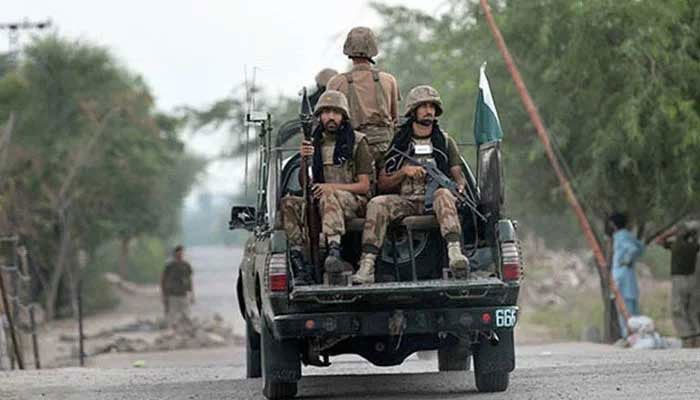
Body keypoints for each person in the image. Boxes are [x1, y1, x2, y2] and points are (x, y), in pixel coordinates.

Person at [352, 85, 470, 284]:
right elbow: (383, 182)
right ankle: (367, 265)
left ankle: (455, 255)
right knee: (377, 204)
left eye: (432, 106)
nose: (428, 111)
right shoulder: (399, 143)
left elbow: (458, 175)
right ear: (413, 111)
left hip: (435, 201)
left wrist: (458, 187)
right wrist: (403, 172)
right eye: (423, 106)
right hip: (406, 201)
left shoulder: (445, 142)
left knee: (444, 194)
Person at [281, 90, 374, 285]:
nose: (331, 117)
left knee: (328, 196)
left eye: (336, 112)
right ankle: (300, 262)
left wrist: (330, 187)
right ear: (319, 116)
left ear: (343, 116)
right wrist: (305, 159)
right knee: (289, 203)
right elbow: (306, 184)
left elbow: (364, 186)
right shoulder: (314, 142)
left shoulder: (357, 142)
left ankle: (334, 250)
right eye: (326, 112)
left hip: (354, 202)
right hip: (320, 200)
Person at [327, 26, 400, 166]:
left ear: (348, 49)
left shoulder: (336, 82)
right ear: (373, 49)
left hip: (351, 148)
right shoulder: (388, 80)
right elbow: (394, 118)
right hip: (385, 148)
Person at [656, 222, 700, 348]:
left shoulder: (675, 246)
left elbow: (659, 241)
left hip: (679, 281)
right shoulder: (694, 247)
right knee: (693, 309)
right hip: (694, 281)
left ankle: (687, 338)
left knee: (678, 309)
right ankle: (696, 337)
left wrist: (670, 233)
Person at [609, 212, 644, 338]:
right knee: (632, 308)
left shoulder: (619, 236)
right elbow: (640, 247)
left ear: (613, 224)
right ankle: (636, 335)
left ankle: (628, 336)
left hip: (621, 276)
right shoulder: (629, 235)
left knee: (623, 309)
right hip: (629, 276)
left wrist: (627, 260)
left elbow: (633, 249)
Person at [160, 245, 194, 330]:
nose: (180, 255)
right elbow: (163, 280)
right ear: (175, 254)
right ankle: (173, 331)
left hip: (183, 294)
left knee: (186, 315)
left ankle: (184, 332)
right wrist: (164, 295)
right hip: (172, 294)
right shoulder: (169, 266)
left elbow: (189, 280)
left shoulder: (186, 265)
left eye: (182, 253)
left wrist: (192, 294)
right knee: (172, 315)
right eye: (179, 253)